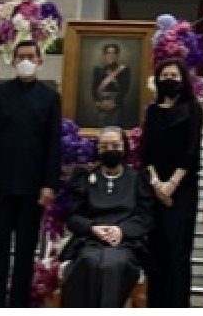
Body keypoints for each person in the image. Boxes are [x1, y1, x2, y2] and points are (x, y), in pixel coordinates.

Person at [0, 40, 62, 308]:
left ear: (39, 61)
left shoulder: (50, 97)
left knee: (25, 253)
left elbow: (53, 145)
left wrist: (49, 184)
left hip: (32, 189)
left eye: (30, 57)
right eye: (21, 56)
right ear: (13, 61)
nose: (25, 61)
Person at [60, 127, 155, 308]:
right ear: (98, 149)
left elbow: (145, 217)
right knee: (89, 262)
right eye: (104, 146)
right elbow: (73, 217)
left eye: (115, 145)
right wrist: (92, 228)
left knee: (113, 264)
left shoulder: (137, 179)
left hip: (126, 243)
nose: (110, 150)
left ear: (124, 147)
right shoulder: (85, 177)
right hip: (90, 241)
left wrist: (121, 230)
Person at [139, 57, 203, 308]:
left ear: (183, 79)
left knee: (177, 253)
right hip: (155, 189)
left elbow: (191, 152)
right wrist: (157, 183)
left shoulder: (193, 109)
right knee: (156, 251)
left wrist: (171, 185)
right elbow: (146, 152)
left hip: (182, 189)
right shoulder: (153, 111)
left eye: (174, 76)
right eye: (164, 76)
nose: (169, 80)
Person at [92, 43, 131, 128]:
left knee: (115, 129)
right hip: (102, 104)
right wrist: (98, 102)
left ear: (117, 55)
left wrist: (115, 102)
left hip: (117, 105)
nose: (111, 56)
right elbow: (94, 88)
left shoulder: (124, 70)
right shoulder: (98, 70)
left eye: (113, 53)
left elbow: (124, 89)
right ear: (104, 55)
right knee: (101, 129)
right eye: (108, 53)